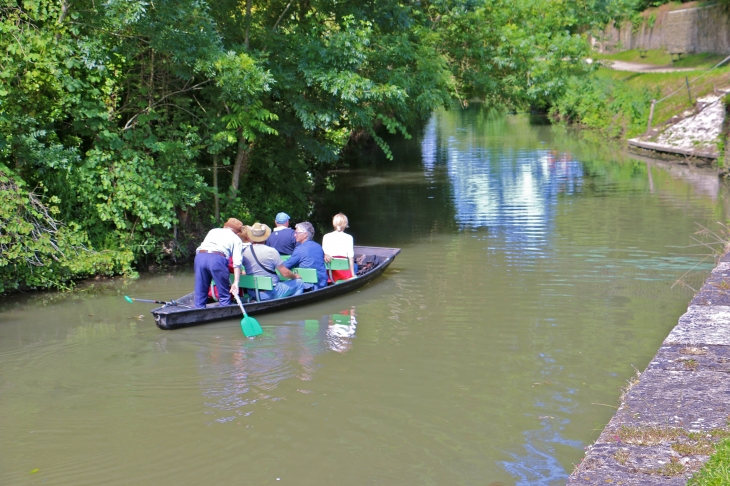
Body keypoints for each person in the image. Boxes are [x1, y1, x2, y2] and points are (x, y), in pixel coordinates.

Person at [242, 222, 304, 301]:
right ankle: (293, 304)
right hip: (269, 293)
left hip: (252, 292)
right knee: (299, 283)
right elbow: (285, 273)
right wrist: (296, 276)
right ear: (265, 237)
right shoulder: (271, 251)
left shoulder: (244, 251)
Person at [194, 218, 244, 308]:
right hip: (217, 258)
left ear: (225, 226)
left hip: (200, 257)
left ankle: (198, 309)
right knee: (224, 293)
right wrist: (236, 282)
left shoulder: (213, 231)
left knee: (200, 291)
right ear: (237, 232)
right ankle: (225, 311)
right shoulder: (236, 239)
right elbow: (237, 262)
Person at [283, 222, 328, 291]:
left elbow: (285, 266)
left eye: (297, 233)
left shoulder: (299, 249)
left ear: (305, 235)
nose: (295, 235)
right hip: (322, 284)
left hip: (308, 286)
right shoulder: (318, 246)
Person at [322, 213, 356, 282]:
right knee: (355, 266)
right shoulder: (349, 237)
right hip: (343, 274)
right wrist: (353, 274)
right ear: (345, 224)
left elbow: (324, 253)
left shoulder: (326, 236)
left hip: (330, 272)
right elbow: (350, 257)